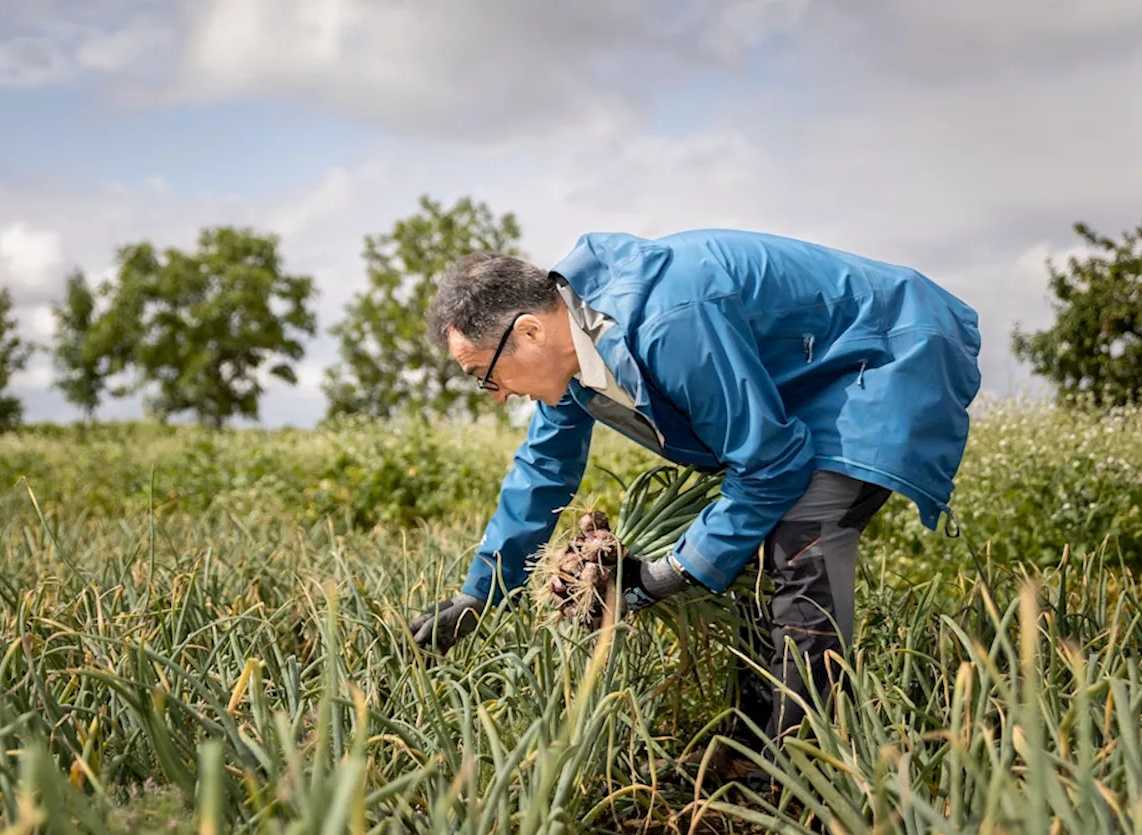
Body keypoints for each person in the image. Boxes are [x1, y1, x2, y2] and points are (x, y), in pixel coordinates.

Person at [408, 227, 982, 788]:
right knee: (757, 551)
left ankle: (807, 776)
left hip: (885, 355)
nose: (499, 394)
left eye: (484, 377)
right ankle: (756, 755)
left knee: (801, 540)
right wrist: (478, 594)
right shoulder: (574, 353)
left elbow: (769, 465)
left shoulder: (665, 321)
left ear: (529, 331)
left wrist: (663, 574)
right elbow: (542, 471)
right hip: (809, 388)